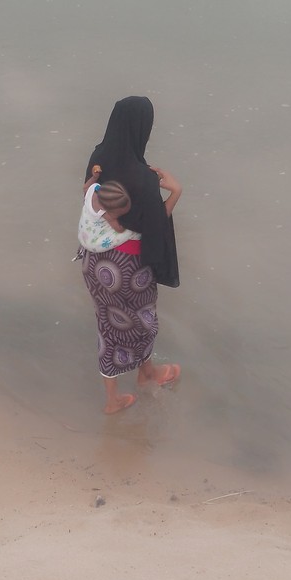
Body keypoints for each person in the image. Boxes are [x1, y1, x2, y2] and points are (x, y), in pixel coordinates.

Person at [80, 96, 182, 414]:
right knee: (143, 321)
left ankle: (114, 398)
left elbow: (89, 196)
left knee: (108, 324)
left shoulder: (98, 157)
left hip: (94, 262)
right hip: (127, 267)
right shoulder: (144, 178)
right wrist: (175, 192)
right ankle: (145, 375)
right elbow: (155, 228)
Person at [78, 179, 138, 254]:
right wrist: (127, 224)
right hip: (93, 243)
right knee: (131, 232)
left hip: (83, 233)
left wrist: (94, 177)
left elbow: (85, 187)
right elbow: (119, 229)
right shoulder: (106, 214)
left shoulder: (92, 189)